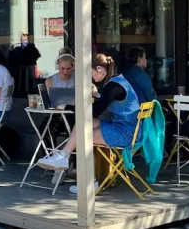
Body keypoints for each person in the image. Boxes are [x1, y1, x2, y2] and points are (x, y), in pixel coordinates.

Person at [37, 54, 141, 189]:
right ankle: (63, 156)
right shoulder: (117, 81)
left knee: (83, 138)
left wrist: (68, 107)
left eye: (91, 73)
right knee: (84, 123)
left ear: (100, 69)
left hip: (125, 132)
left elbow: (96, 110)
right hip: (123, 126)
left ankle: (87, 183)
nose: (92, 77)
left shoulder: (113, 86)